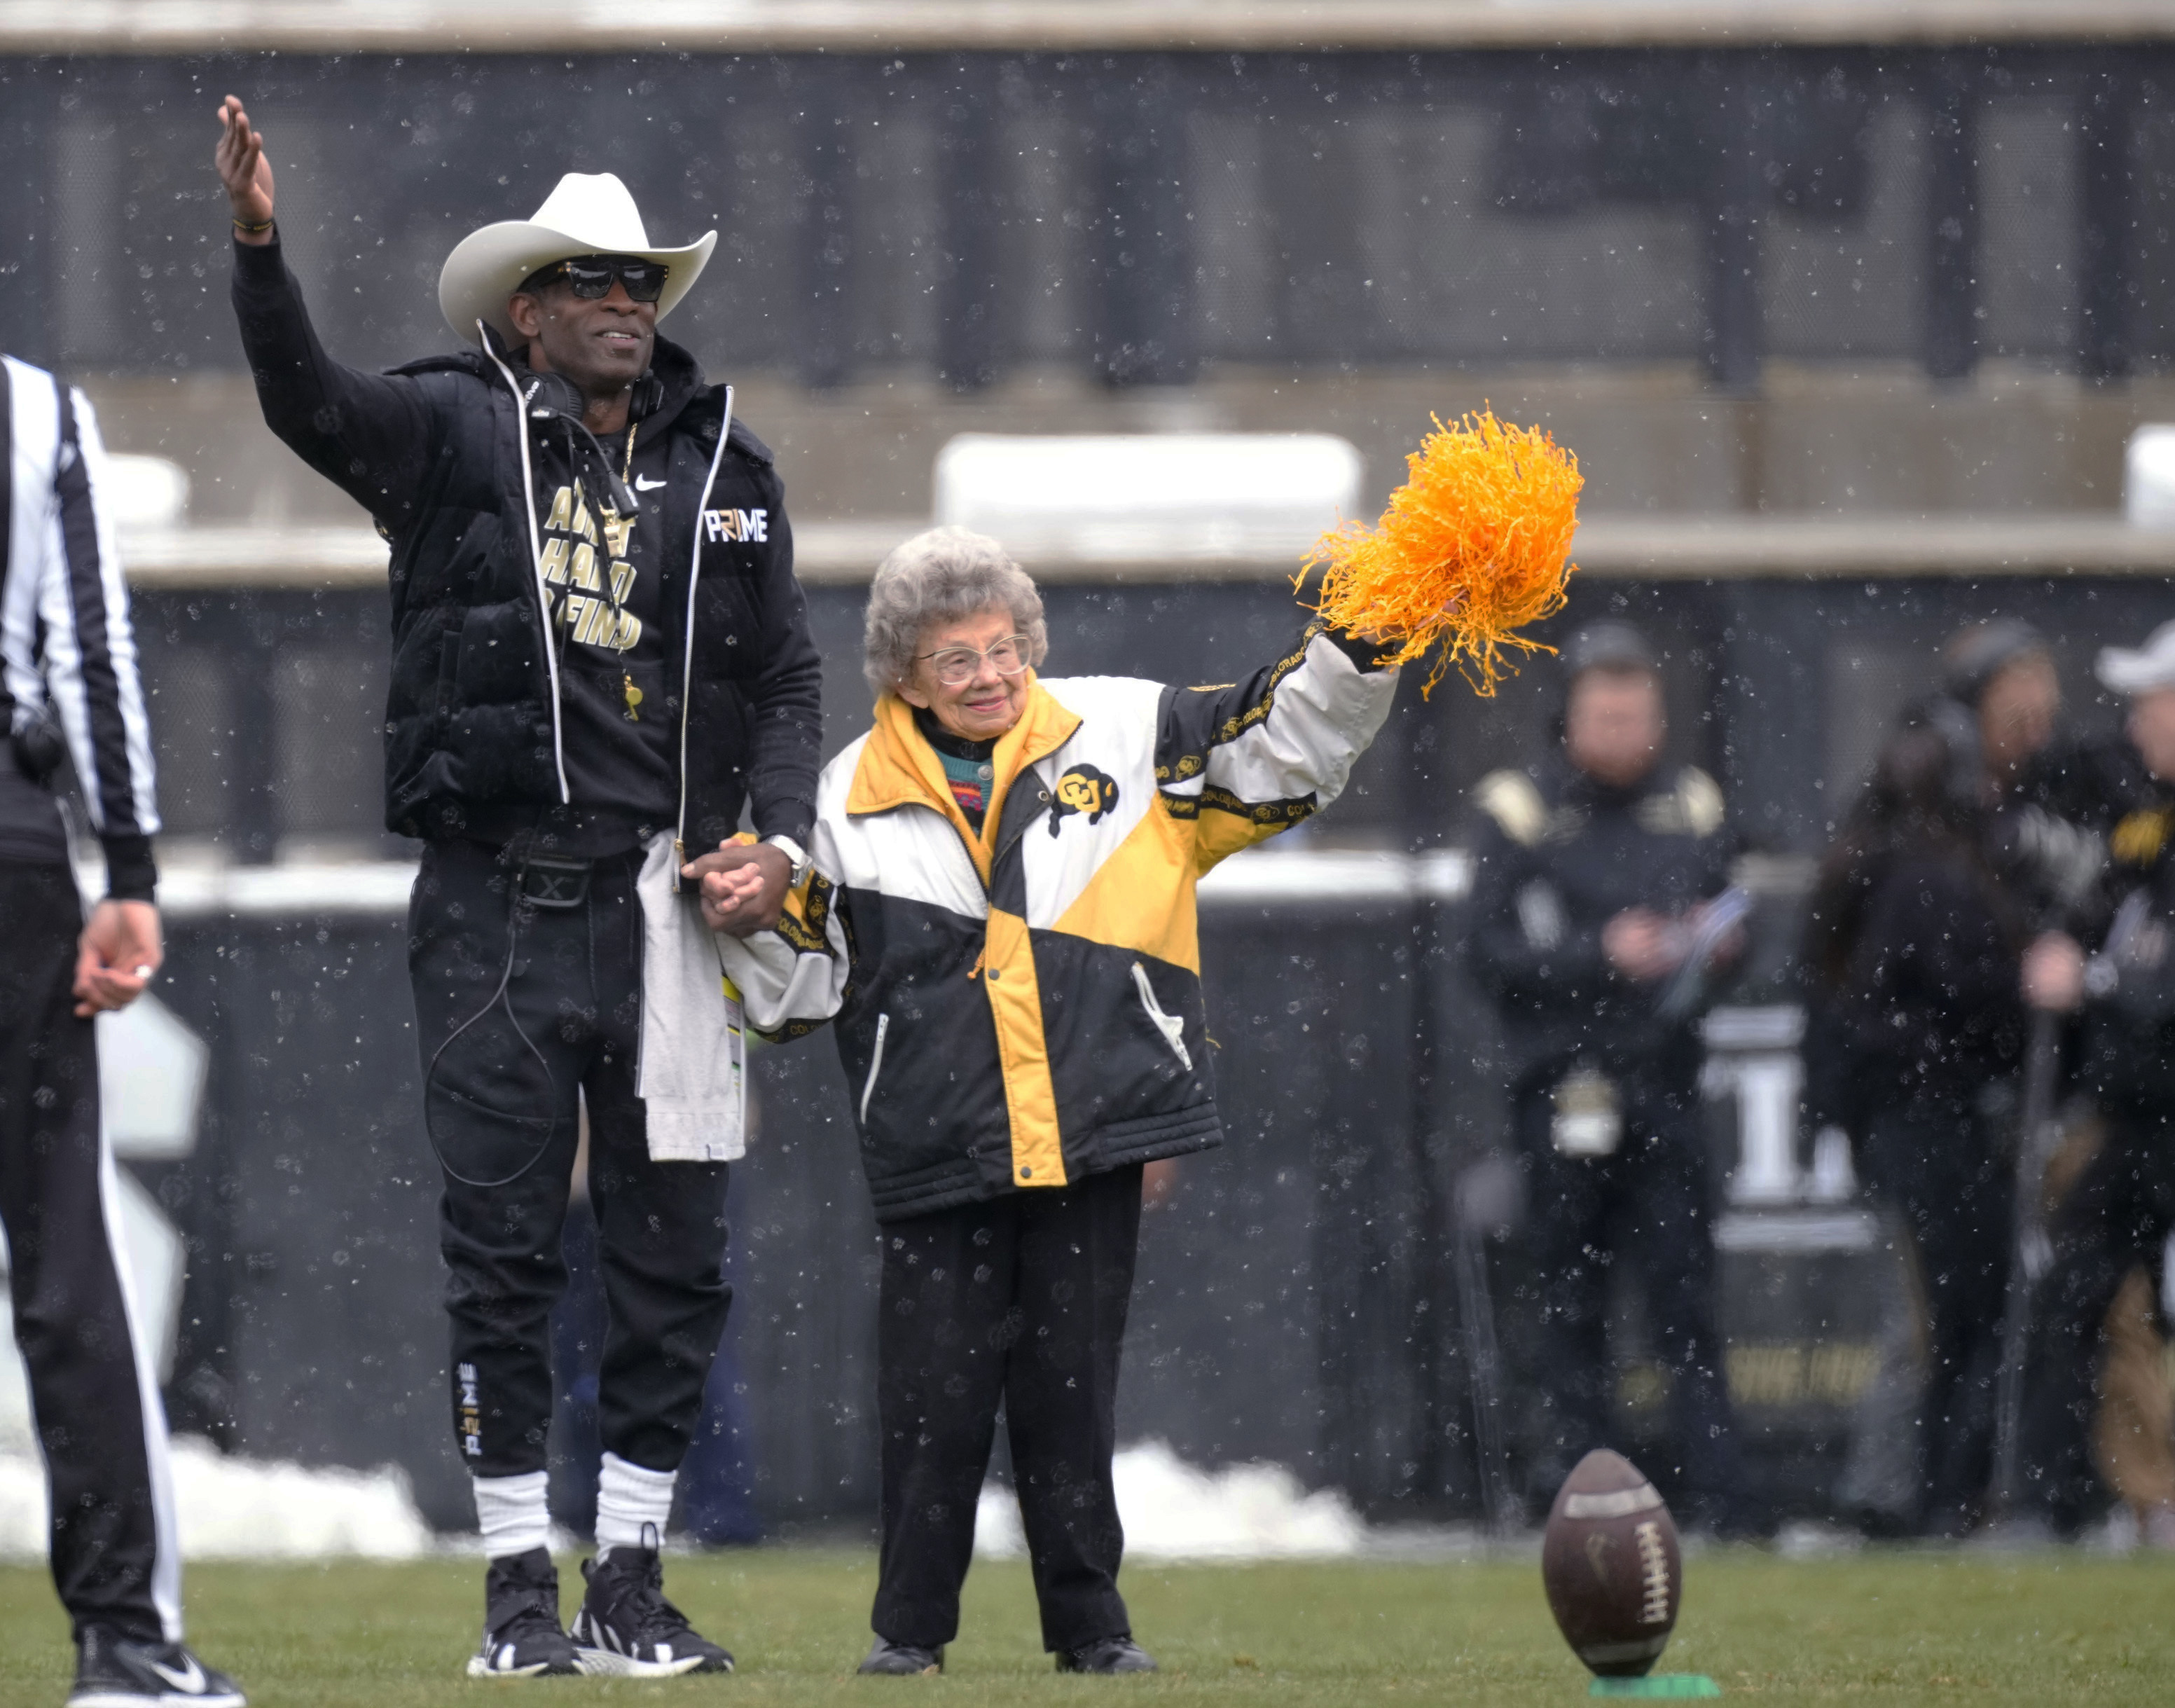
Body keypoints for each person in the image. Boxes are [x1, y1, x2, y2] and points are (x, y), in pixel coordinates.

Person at [214, 98, 822, 1677]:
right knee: (501, 1246)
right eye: (590, 281)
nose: (625, 303)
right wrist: (262, 252)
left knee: (675, 1250)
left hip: (677, 912)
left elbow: (787, 675)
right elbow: (300, 399)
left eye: (640, 282)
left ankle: (628, 1581)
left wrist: (784, 837)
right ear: (524, 311)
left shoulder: (730, 463)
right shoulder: (449, 432)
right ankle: (511, 1597)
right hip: (498, 897)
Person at [702, 526, 1400, 1674]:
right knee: (932, 1405)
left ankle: (1094, 1632)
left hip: (1089, 1132)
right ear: (902, 676)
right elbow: (799, 997)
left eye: (1001, 649)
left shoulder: (1125, 728)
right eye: (955, 660)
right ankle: (907, 1636)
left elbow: (1283, 752)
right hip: (933, 1143)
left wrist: (1358, 649)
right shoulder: (840, 794)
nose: (987, 675)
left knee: (1070, 1396)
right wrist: (748, 916)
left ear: (1030, 642)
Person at [1, 354, 244, 1704]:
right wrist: (131, 873)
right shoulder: (33, 410)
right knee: (60, 1254)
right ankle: (123, 1639)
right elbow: (86, 650)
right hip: (10, 844)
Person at [1462, 621, 1751, 1531]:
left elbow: (1730, 913)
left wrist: (1716, 944)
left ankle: (1716, 1496)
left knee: (1684, 1296)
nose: (1623, 732)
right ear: (1572, 719)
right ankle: (1579, 1490)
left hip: (1664, 1082)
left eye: (1638, 714)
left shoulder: (1693, 803)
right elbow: (1485, 950)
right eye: (1606, 714)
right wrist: (1599, 954)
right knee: (1568, 1298)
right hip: (1565, 1085)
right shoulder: (1519, 807)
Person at [1802, 703, 2031, 1538]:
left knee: (1939, 1313)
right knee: (1933, 1317)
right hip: (1926, 1122)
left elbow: (1845, 1004)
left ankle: (1927, 1491)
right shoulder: (1923, 874)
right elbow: (1928, 1003)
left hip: (1908, 1119)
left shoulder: (1870, 859)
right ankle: (1909, 1494)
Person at [2012, 620, 2175, 1538]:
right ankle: (2046, 1501)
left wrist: (2100, 979)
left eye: (2151, 698)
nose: (2136, 719)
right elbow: (2108, 906)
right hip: (2142, 1112)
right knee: (2076, 1284)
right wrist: (2068, 943)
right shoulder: (2148, 817)